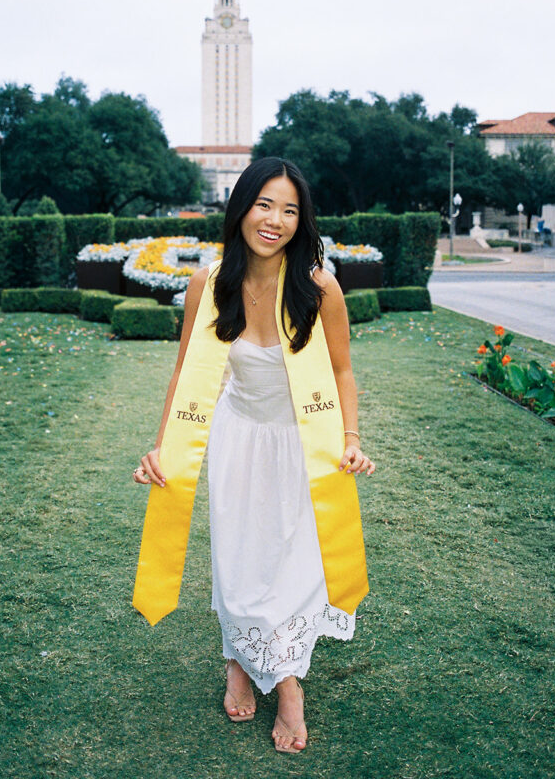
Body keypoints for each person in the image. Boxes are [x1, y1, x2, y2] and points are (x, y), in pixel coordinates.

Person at [133, 157, 375, 754]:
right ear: (241, 207)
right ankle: (238, 661)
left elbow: (343, 370)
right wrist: (162, 448)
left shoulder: (318, 285)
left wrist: (350, 440)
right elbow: (186, 376)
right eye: (265, 204)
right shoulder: (208, 285)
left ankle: (288, 686)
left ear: (303, 219)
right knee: (240, 562)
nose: (276, 220)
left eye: (290, 209)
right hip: (238, 440)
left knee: (295, 563)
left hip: (304, 443)